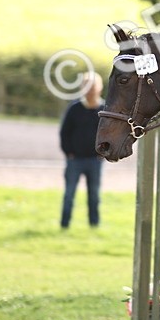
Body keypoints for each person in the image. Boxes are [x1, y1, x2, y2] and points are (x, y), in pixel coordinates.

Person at [59, 72, 104, 229]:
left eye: (93, 87)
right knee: (69, 194)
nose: (90, 90)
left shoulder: (104, 109)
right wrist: (69, 152)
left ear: (99, 88)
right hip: (75, 160)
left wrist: (102, 154)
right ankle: (64, 225)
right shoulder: (75, 109)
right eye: (87, 87)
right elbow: (65, 132)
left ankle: (94, 225)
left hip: (95, 160)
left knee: (94, 195)